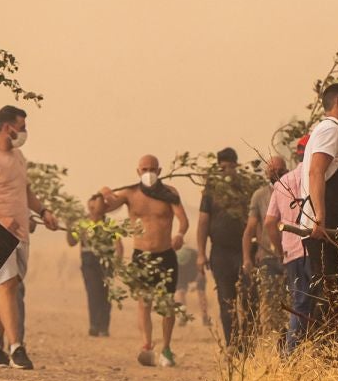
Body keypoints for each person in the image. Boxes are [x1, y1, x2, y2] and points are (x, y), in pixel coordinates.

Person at [0, 105, 59, 369]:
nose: (24, 132)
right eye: (22, 127)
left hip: (20, 234)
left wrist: (43, 211)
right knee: (6, 286)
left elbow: (24, 191)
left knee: (10, 287)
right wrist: (0, 219)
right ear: (8, 128)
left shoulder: (18, 157)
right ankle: (17, 347)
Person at [97, 155, 189, 368]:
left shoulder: (169, 193)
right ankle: (146, 346)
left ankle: (166, 348)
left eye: (153, 168)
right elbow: (105, 208)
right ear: (138, 171)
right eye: (145, 168)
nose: (149, 172)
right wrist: (103, 195)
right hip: (141, 255)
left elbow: (183, 219)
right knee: (144, 302)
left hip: (165, 254)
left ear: (160, 170)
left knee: (166, 304)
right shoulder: (130, 193)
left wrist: (180, 234)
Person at [301, 81, 338, 336]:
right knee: (331, 293)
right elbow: (316, 172)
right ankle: (314, 350)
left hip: (334, 225)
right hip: (326, 227)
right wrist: (320, 217)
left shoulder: (331, 132)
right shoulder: (330, 131)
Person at [196, 146, 247, 343]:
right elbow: (202, 222)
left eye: (228, 167)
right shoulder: (211, 190)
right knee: (226, 299)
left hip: (244, 250)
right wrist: (201, 254)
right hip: (220, 252)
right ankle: (232, 343)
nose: (225, 171)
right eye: (221, 168)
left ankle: (248, 341)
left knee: (248, 298)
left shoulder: (245, 187)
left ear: (236, 166)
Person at [265, 138, 312, 352]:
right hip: (312, 249)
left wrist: (279, 250)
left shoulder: (282, 182)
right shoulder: (316, 177)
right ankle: (291, 352)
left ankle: (295, 349)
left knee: (299, 301)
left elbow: (269, 222)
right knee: (309, 302)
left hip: (291, 253)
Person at [241, 154, 287, 343]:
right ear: (266, 172)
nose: (275, 173)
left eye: (279, 170)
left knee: (291, 302)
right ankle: (271, 342)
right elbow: (250, 228)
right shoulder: (260, 196)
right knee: (268, 303)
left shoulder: (291, 191)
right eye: (272, 170)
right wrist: (247, 258)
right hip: (268, 257)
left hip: (290, 255)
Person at [75, 193, 116, 337]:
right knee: (93, 292)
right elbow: (72, 241)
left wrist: (118, 262)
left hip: (106, 261)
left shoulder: (109, 224)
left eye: (97, 206)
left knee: (106, 294)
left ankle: (104, 327)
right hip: (89, 262)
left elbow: (118, 244)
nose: (93, 209)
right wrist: (70, 226)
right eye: (91, 206)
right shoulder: (83, 223)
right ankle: (94, 325)